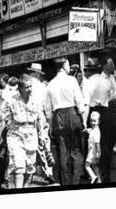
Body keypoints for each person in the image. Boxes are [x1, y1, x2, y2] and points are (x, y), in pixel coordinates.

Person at [45, 58, 86, 186]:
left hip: (58, 117)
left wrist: (51, 128)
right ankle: (76, 180)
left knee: (63, 153)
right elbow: (79, 101)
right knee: (76, 150)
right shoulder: (72, 80)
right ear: (63, 66)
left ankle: (65, 183)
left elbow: (48, 110)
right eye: (68, 64)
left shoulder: (50, 84)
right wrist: (84, 120)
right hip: (73, 115)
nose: (69, 67)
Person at [4, 74, 46, 189]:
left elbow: (39, 118)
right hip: (16, 137)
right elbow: (7, 120)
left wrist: (41, 135)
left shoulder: (36, 100)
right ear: (20, 88)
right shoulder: (12, 101)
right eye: (27, 87)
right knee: (19, 167)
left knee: (30, 168)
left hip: (31, 137)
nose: (30, 89)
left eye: (31, 86)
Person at [85, 58, 116, 183]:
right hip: (105, 112)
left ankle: (97, 175)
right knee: (105, 144)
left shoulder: (89, 82)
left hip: (94, 112)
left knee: (93, 144)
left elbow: (86, 103)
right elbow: (110, 97)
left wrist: (85, 121)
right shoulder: (105, 82)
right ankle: (106, 173)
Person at [84, 111, 102, 184]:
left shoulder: (96, 132)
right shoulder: (94, 129)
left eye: (95, 121)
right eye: (91, 121)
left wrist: (98, 153)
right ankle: (99, 179)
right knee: (95, 166)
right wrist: (87, 130)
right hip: (92, 151)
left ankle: (93, 176)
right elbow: (91, 131)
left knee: (86, 165)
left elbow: (98, 144)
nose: (93, 123)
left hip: (92, 152)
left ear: (99, 121)